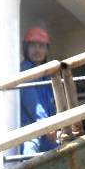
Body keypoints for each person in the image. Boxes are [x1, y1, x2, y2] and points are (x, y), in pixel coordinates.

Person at [19, 26, 58, 154]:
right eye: (33, 46)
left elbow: (51, 105)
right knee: (29, 152)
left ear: (46, 50)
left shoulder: (45, 75)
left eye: (41, 46)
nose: (37, 50)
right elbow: (32, 103)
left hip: (46, 132)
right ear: (26, 48)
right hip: (31, 131)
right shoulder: (25, 71)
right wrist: (47, 125)